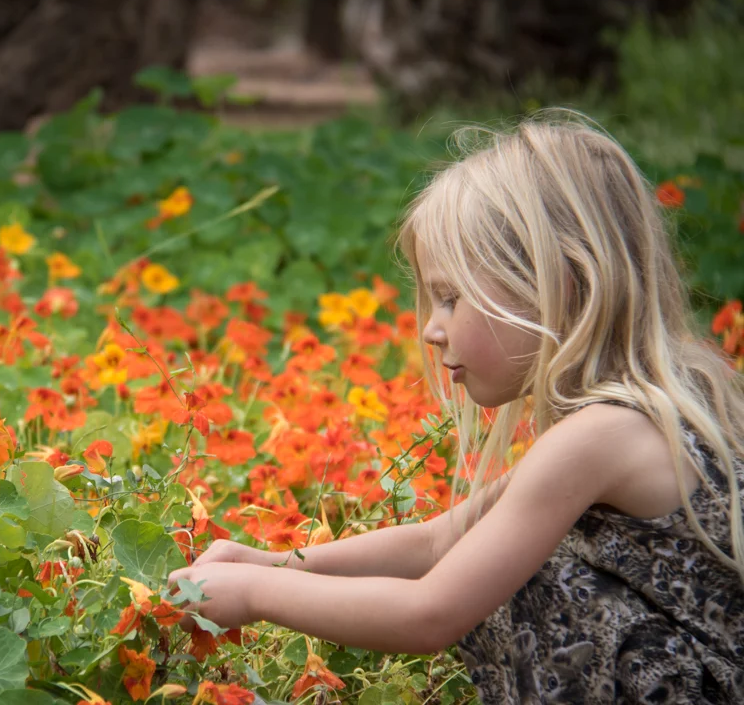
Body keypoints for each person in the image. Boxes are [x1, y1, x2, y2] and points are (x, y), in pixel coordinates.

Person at [166, 113, 744, 703]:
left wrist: (256, 596)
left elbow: (430, 612)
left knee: (528, 582)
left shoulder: (600, 434)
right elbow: (437, 543)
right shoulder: (644, 408)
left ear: (559, 283)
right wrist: (272, 564)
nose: (432, 331)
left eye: (450, 297)